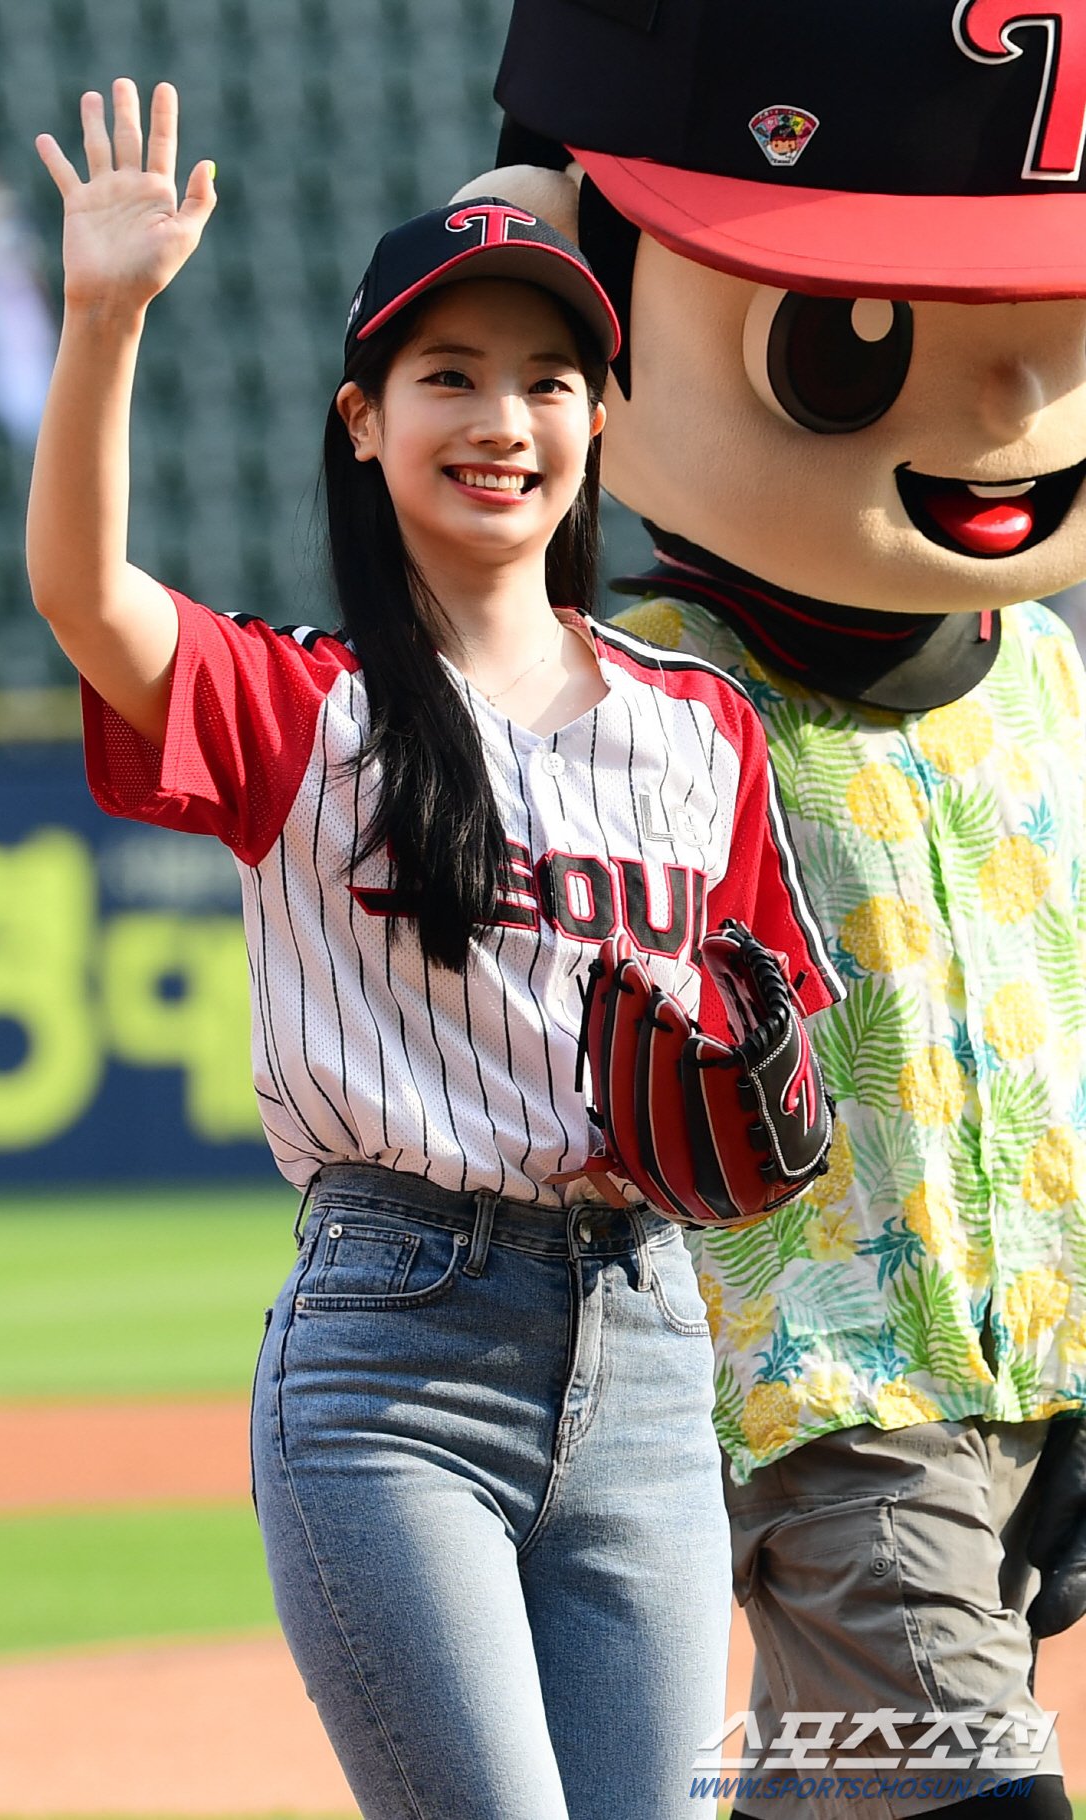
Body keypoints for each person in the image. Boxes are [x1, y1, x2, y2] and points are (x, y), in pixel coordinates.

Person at [26, 78, 842, 1820]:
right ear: (363, 418)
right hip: (392, 1354)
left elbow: (782, 1066)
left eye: (549, 379)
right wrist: (104, 318)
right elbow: (88, 599)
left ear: (599, 421)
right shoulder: (303, 708)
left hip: (645, 1343)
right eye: (447, 375)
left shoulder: (702, 729)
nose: (503, 417)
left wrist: (764, 1120)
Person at [463, 0, 1086, 1814]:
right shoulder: (624, 682)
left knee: (836, 1788)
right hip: (815, 1383)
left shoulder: (1042, 677)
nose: (1010, 408)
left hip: (1027, 1359)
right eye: (849, 340)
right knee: (975, 1795)